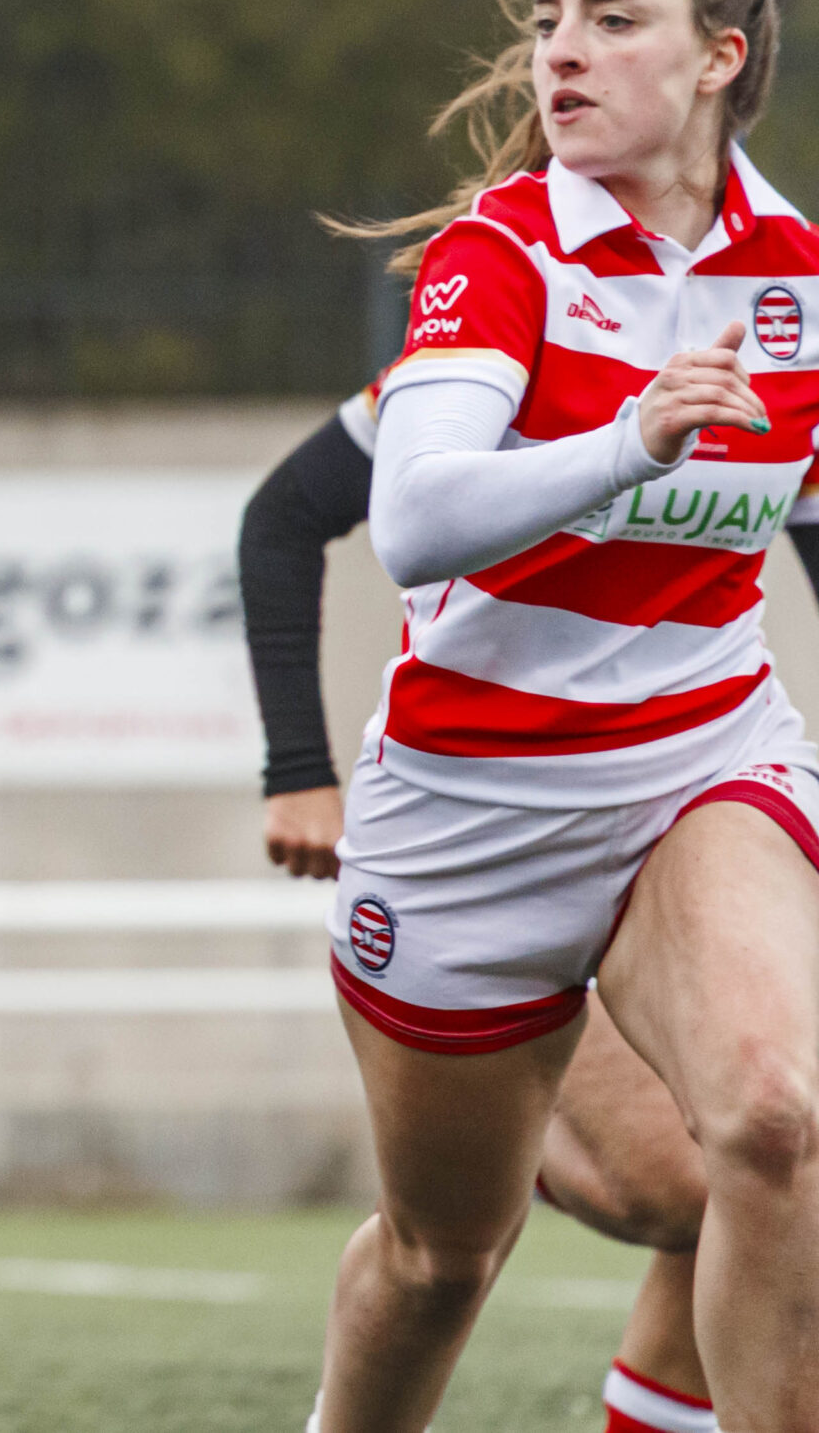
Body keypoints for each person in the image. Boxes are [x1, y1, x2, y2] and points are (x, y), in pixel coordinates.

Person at [304, 0, 819, 1433]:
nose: (561, 55)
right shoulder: (499, 250)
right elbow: (414, 516)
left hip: (699, 750)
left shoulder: (797, 270)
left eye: (611, 20)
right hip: (471, 804)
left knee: (777, 1120)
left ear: (720, 57)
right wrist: (627, 437)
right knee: (441, 1253)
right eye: (546, 22)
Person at [240, 369, 803, 1433]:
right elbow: (285, 516)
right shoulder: (483, 325)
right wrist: (296, 769)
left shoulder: (772, 307)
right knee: (481, 1247)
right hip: (500, 844)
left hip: (690, 797)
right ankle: (510, 1103)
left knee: (772, 1141)